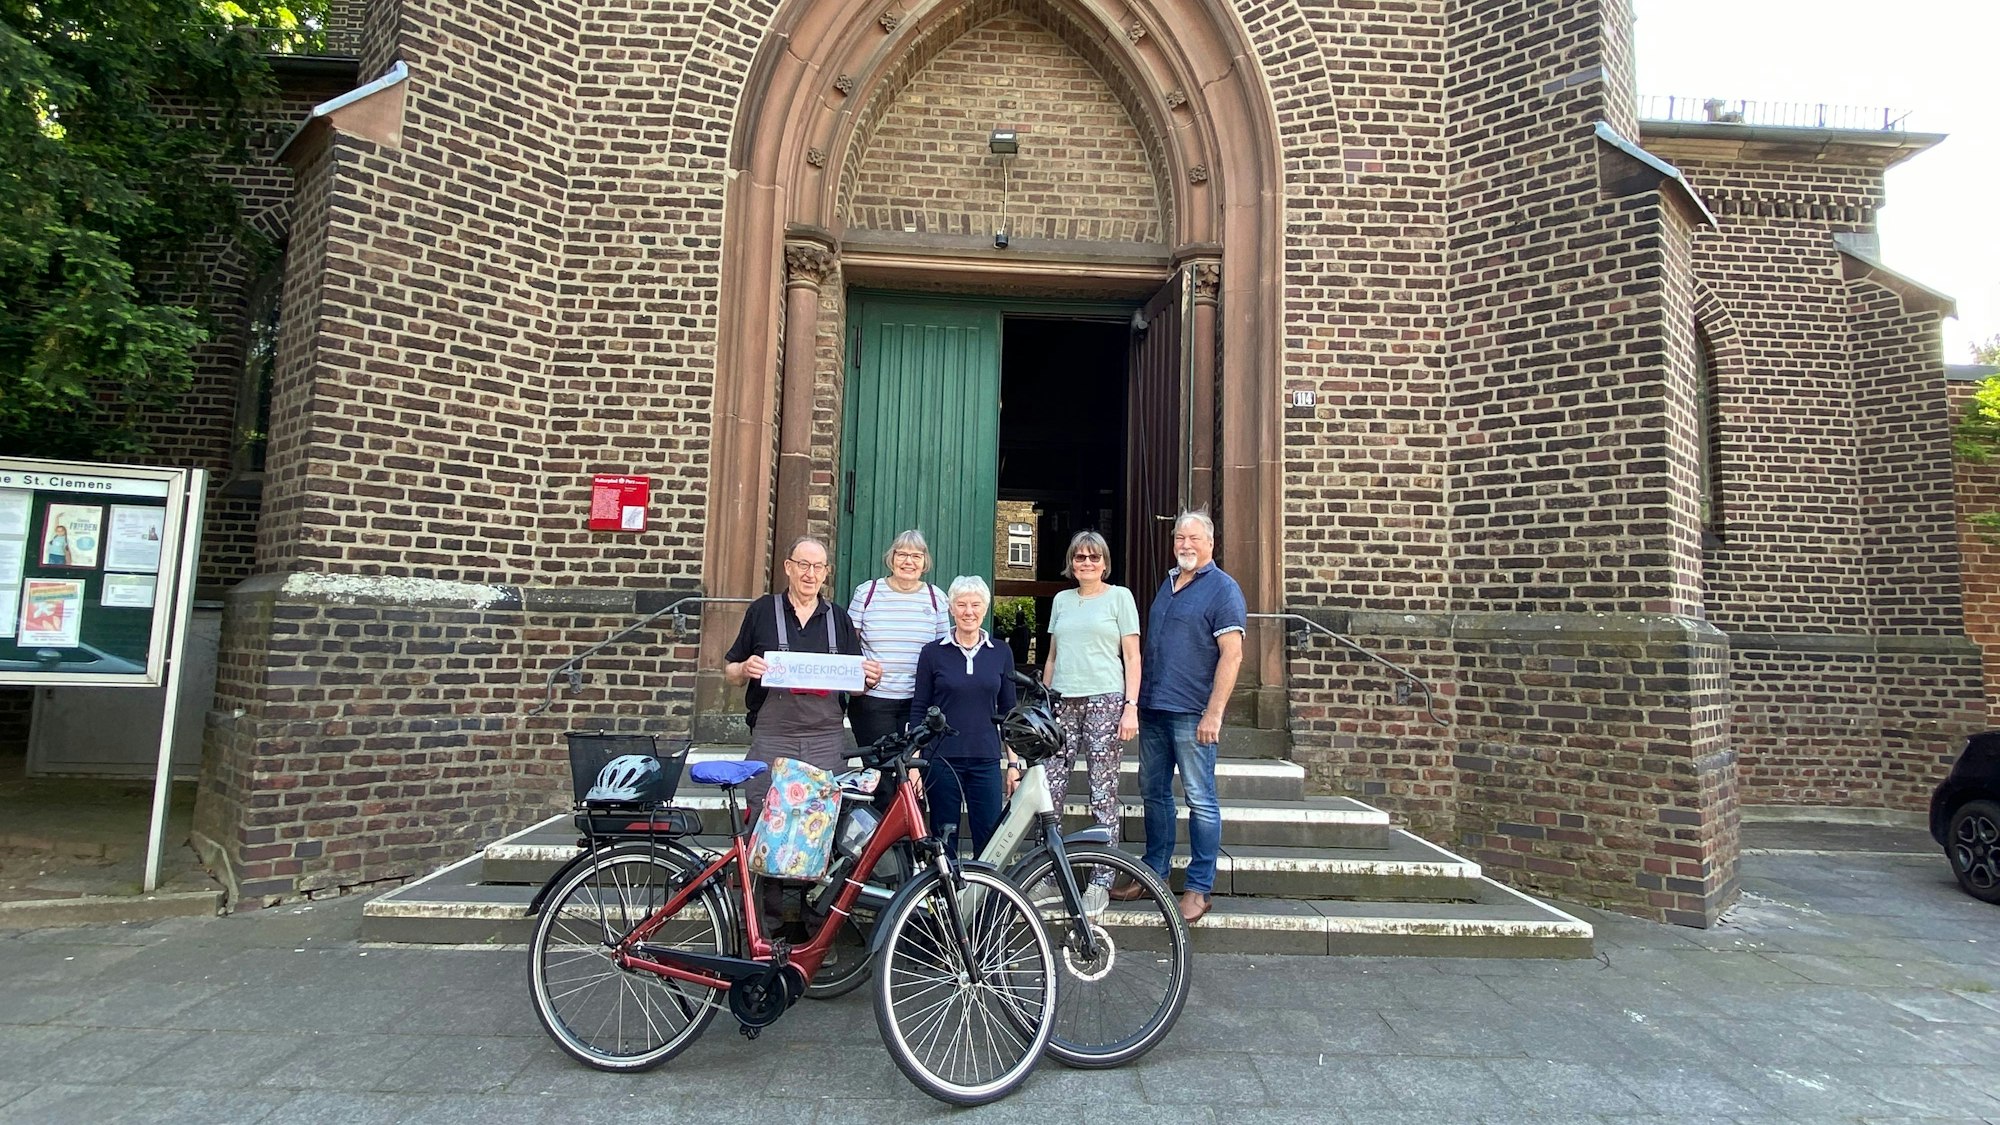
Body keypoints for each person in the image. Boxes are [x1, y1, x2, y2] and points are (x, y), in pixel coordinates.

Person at [723, 536, 882, 939]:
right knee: (766, 823)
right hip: (772, 734)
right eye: (804, 565)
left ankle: (817, 932)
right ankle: (762, 929)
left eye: (819, 567)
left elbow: (855, 684)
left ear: (826, 573)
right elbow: (729, 669)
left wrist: (869, 678)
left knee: (824, 827)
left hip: (825, 737)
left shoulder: (839, 619)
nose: (811, 574)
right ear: (788, 568)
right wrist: (746, 668)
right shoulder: (762, 611)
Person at [1121, 510, 1244, 924]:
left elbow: (1233, 655)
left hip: (1193, 714)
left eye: (1193, 538)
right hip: (1156, 709)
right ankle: (1154, 874)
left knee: (1200, 800)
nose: (1185, 545)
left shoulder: (1224, 589)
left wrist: (1215, 713)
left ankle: (1198, 887)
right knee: (1154, 795)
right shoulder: (1169, 583)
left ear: (1210, 543)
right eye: (1178, 538)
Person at [1033, 530, 1140, 883]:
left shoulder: (1119, 598)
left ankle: (1102, 878)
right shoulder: (1062, 601)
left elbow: (1132, 657)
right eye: (1080, 557)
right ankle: (1047, 875)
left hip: (1104, 701)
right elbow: (1052, 657)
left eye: (1094, 557)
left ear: (1105, 563)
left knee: (1102, 791)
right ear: (1071, 563)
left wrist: (1131, 706)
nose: (1087, 563)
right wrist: (1044, 705)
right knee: (1050, 790)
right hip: (1062, 701)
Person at [909, 575, 1017, 855]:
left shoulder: (1001, 652)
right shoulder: (932, 653)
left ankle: (985, 899)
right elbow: (920, 708)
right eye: (962, 604)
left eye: (975, 605)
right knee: (944, 839)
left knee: (990, 839)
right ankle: (947, 898)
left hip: (986, 758)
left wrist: (1014, 765)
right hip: (942, 759)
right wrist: (914, 764)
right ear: (951, 608)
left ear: (985, 608)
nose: (969, 611)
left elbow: (1008, 712)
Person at [847, 530, 950, 749]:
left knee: (913, 775)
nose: (908, 561)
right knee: (880, 774)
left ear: (924, 562)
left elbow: (943, 652)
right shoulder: (867, 593)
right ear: (891, 558)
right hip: (873, 702)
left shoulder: (936, 598)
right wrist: (857, 681)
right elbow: (848, 643)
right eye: (902, 554)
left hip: (918, 703)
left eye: (916, 556)